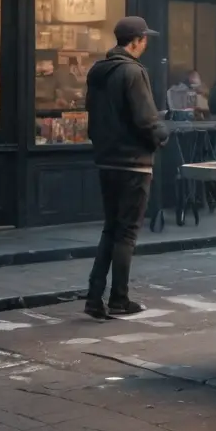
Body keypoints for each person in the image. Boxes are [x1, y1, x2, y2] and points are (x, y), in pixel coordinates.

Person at [84, 16, 168, 320]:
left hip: (106, 159)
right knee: (127, 233)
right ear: (136, 41)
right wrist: (162, 135)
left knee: (111, 228)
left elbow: (92, 112)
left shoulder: (99, 70)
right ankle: (119, 299)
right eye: (144, 39)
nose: (146, 44)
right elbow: (146, 119)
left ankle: (94, 297)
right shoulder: (133, 71)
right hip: (133, 163)